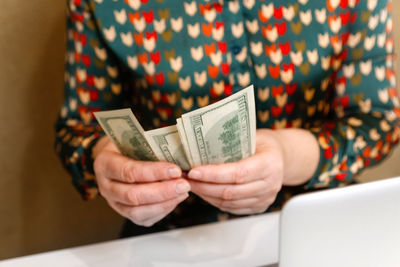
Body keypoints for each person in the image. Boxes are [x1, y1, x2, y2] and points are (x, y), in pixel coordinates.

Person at [55, 0, 400, 236]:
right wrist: (106, 163)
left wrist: (286, 154)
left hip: (322, 227)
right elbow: (77, 132)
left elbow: (379, 121)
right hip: (170, 236)